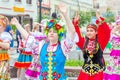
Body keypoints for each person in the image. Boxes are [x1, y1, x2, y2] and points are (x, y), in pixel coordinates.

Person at [11, 3, 78, 80]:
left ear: (59, 34)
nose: (52, 33)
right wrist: (17, 24)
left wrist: (65, 14)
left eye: (54, 32)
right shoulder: (41, 45)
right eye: (50, 31)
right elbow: (28, 37)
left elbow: (72, 32)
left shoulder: (63, 47)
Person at [73, 11, 110, 80]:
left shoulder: (100, 42)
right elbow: (76, 36)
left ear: (96, 32)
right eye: (88, 30)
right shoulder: (84, 43)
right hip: (84, 74)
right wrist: (75, 23)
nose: (89, 32)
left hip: (97, 74)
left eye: (91, 31)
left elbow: (107, 32)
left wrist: (100, 20)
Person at [104, 16, 120, 80]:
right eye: (117, 24)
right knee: (113, 71)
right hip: (114, 56)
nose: (118, 25)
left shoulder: (115, 33)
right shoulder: (112, 34)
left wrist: (117, 34)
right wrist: (110, 47)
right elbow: (108, 43)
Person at [0, 15, 12, 80]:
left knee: (2, 76)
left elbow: (7, 46)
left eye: (0, 25)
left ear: (4, 27)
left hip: (3, 59)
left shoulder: (4, 35)